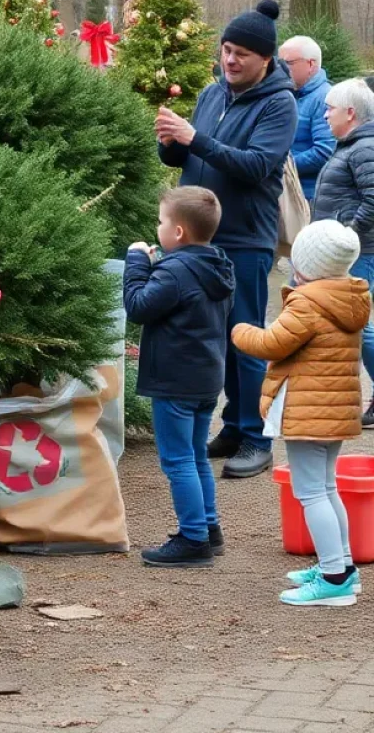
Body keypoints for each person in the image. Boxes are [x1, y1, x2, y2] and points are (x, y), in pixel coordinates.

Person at [156, 0, 297, 479]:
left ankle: (258, 439)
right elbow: (189, 161)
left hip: (244, 239)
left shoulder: (280, 103)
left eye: (241, 54)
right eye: (226, 49)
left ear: (266, 60)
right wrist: (171, 145)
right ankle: (235, 426)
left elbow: (257, 167)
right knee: (216, 340)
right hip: (197, 241)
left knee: (248, 340)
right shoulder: (212, 93)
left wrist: (195, 139)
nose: (230, 60)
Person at [232, 220, 368, 606]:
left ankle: (333, 579)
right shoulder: (350, 295)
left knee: (311, 494)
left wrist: (240, 329)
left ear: (305, 264)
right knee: (326, 488)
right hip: (333, 411)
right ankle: (341, 567)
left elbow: (273, 343)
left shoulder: (308, 303)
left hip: (309, 411)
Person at [124, 187, 235, 568]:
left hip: (174, 382)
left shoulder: (173, 271)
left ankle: (192, 539)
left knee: (177, 461)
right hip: (206, 378)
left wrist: (137, 262)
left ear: (179, 233)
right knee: (196, 456)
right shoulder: (218, 265)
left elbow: (139, 307)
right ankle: (209, 527)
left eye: (160, 221)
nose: (157, 227)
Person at [311, 78, 374, 427]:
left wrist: (345, 238)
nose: (324, 116)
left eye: (329, 109)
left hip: (355, 255)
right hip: (338, 254)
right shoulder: (348, 145)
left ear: (350, 113)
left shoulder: (364, 148)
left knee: (358, 328)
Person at [278, 36, 334, 203]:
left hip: (307, 198)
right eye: (279, 63)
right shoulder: (288, 95)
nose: (281, 69)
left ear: (310, 64)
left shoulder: (325, 98)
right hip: (285, 192)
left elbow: (324, 152)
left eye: (288, 63)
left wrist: (278, 166)